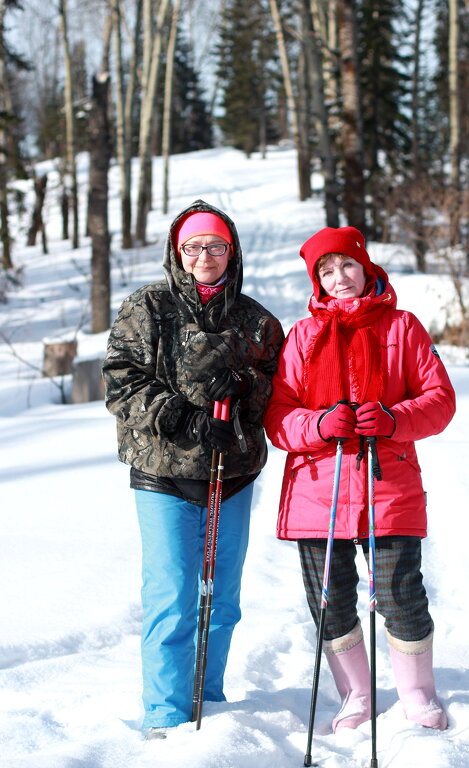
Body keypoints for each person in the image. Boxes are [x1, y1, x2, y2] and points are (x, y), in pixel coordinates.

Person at [103, 199, 284, 739]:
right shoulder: (147, 308)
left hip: (233, 477)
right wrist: (187, 416)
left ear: (232, 251)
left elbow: (277, 392)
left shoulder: (256, 320)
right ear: (177, 253)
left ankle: (208, 699)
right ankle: (165, 714)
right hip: (163, 476)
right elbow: (121, 383)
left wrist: (247, 392)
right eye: (194, 246)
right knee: (173, 596)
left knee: (220, 599)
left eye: (215, 245)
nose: (205, 255)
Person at [264, 226, 456, 733]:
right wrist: (319, 424)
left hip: (387, 485)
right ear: (316, 281)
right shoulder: (302, 337)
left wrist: (393, 419)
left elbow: (440, 401)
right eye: (325, 271)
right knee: (329, 598)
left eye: (346, 265)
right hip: (315, 491)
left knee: (399, 594)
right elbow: (278, 416)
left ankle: (418, 693)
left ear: (365, 266)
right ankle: (356, 694)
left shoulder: (403, 327)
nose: (339, 278)